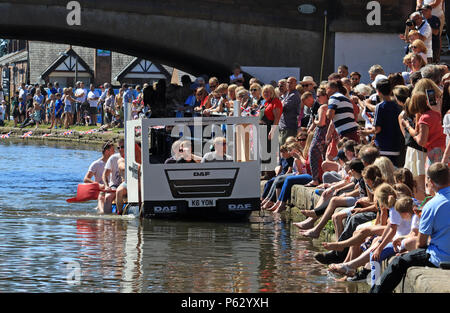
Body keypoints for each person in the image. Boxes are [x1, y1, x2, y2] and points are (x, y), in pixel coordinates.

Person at [370, 162, 450, 293]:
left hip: (441, 258)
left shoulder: (432, 205)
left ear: (430, 181)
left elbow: (420, 243)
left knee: (398, 262)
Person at [359, 78, 403, 167]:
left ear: (378, 92)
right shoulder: (397, 105)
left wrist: (365, 132)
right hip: (396, 145)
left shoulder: (380, 106)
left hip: (383, 146)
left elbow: (377, 129)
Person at [84, 141, 115, 213]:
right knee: (102, 194)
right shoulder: (96, 164)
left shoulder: (115, 162)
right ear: (107, 151)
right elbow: (86, 179)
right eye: (113, 150)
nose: (115, 152)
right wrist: (99, 185)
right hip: (102, 189)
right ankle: (102, 212)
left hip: (112, 187)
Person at [102, 139, 125, 214]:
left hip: (127, 185)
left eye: (123, 147)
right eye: (119, 148)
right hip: (115, 185)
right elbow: (105, 175)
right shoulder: (113, 158)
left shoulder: (134, 157)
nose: (121, 149)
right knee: (108, 197)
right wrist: (106, 186)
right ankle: (107, 219)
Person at [278, 77, 301, 145]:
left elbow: (282, 107)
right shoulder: (288, 94)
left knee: (284, 149)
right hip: (283, 126)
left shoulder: (294, 95)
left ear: (295, 84)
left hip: (289, 127)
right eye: (288, 82)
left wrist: (280, 104)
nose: (289, 84)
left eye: (291, 83)